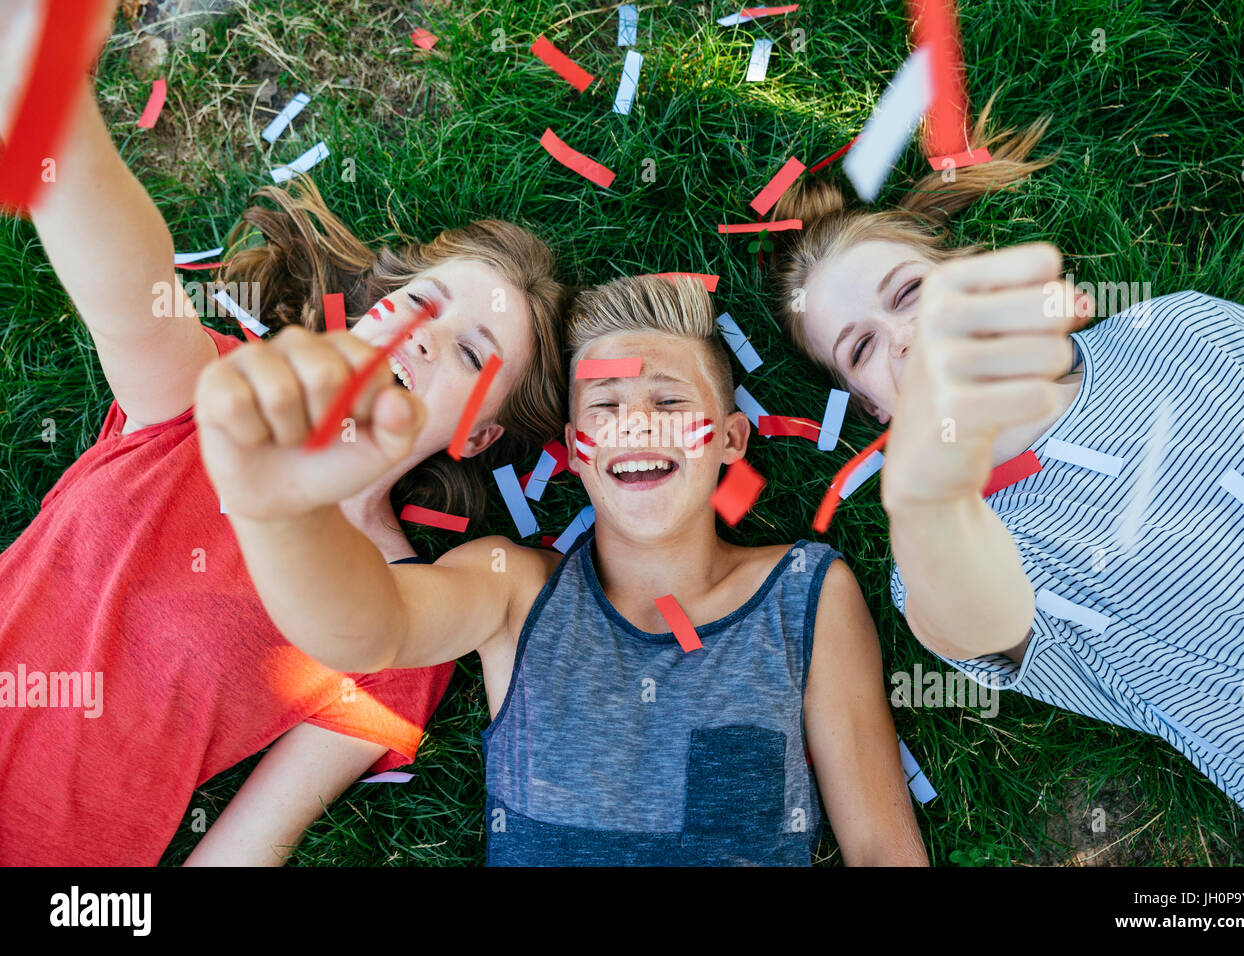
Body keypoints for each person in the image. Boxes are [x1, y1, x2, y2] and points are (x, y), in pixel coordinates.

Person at [0, 29, 568, 864]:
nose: (420, 337)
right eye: (423, 301)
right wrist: (50, 97)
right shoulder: (218, 395)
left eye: (472, 352)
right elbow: (129, 295)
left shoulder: (401, 629)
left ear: (478, 435)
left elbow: (246, 846)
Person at [195, 274, 930, 865]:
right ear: (578, 451)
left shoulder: (805, 591)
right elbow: (367, 631)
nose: (637, 423)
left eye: (669, 401)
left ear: (731, 439)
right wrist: (278, 512)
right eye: (607, 406)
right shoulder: (513, 588)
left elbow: (878, 847)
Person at [771, 106, 1244, 865]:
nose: (904, 339)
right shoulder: (949, 547)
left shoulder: (1176, 330)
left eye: (910, 293)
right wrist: (931, 497)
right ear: (874, 408)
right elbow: (969, 617)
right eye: (861, 348)